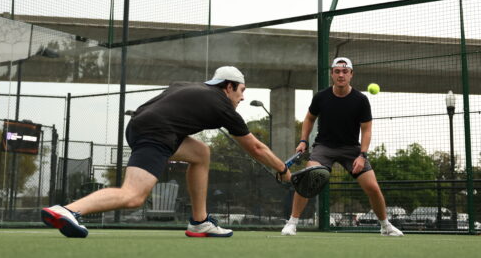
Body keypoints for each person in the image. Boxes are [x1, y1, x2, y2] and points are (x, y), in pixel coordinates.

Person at [41, 66, 292, 238]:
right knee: (134, 195)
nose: (243, 97)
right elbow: (256, 147)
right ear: (228, 87)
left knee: (201, 152)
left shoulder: (188, 86)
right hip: (155, 133)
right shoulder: (223, 106)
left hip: (143, 126)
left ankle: (199, 222)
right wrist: (283, 169)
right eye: (242, 90)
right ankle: (68, 211)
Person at [281, 57, 403, 237]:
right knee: (307, 179)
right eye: (337, 71)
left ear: (351, 74)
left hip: (352, 150)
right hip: (324, 147)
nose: (341, 75)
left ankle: (385, 226)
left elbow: (366, 130)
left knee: (373, 187)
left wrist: (363, 155)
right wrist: (303, 141)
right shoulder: (321, 97)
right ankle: (292, 223)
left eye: (345, 71)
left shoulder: (361, 100)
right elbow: (309, 118)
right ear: (332, 74)